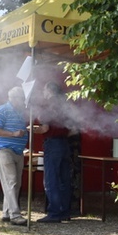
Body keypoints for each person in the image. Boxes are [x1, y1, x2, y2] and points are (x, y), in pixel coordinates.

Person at [31, 82, 74, 223]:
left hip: (52, 143)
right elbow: (74, 129)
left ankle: (54, 213)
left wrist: (32, 129)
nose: (43, 92)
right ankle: (65, 212)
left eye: (44, 89)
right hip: (64, 144)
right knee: (64, 179)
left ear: (49, 90)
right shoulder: (66, 106)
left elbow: (44, 128)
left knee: (51, 179)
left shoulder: (46, 106)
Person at [0, 87, 29, 227]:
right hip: (4, 149)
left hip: (19, 151)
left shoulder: (22, 112)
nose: (24, 101)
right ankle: (15, 215)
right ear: (13, 98)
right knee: (11, 181)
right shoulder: (2, 110)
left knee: (15, 183)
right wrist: (13, 134)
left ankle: (6, 212)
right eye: (22, 98)